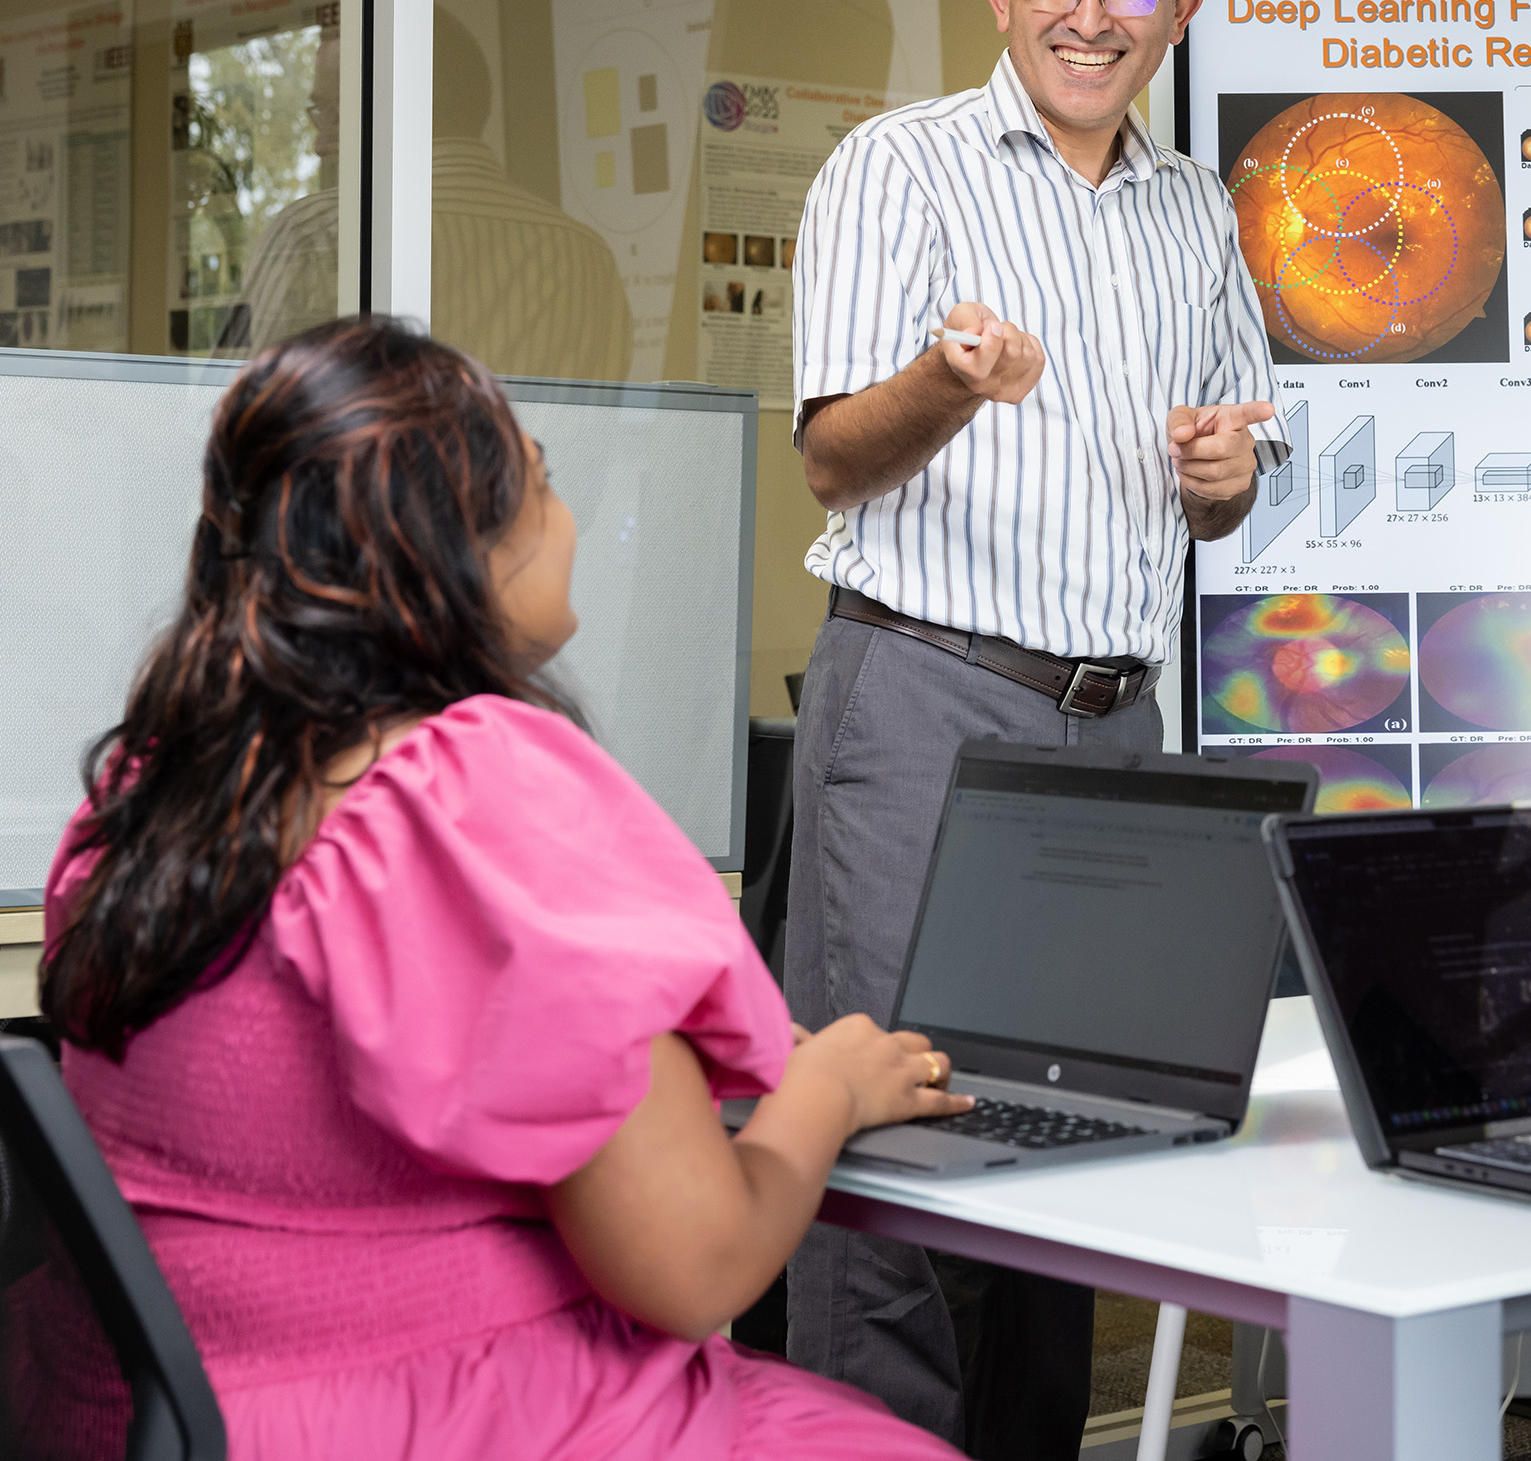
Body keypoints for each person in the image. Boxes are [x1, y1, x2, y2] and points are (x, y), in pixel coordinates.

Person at [33, 318, 975, 1460]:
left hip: (144, 1415)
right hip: (444, 1416)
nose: (570, 524)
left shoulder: (147, 792)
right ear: (453, 550)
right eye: (541, 484)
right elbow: (695, 1265)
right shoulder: (470, 807)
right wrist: (825, 1089)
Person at [782, 0, 1276, 1460]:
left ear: (1180, 10)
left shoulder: (1198, 211)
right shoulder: (897, 168)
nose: (1090, 13)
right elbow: (836, 459)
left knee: (1078, 1167)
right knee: (894, 1166)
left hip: (1115, 731)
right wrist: (948, 382)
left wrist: (1228, 478)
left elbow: (1226, 490)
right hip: (923, 700)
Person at [234, 9, 637, 379]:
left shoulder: (316, 231)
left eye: (331, 113)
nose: (320, 144)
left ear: (392, 107)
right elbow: (600, 437)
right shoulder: (590, 256)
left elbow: (229, 416)